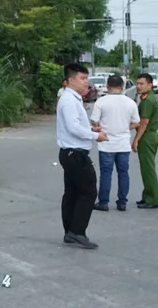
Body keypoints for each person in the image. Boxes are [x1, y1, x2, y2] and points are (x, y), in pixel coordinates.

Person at [56, 63, 108, 249]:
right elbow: (73, 128)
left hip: (70, 153)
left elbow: (76, 126)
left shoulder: (72, 99)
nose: (86, 82)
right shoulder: (69, 100)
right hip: (75, 154)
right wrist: (96, 136)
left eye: (87, 78)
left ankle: (70, 232)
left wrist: (91, 129)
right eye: (83, 78)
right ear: (71, 80)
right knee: (88, 191)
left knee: (72, 193)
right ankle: (77, 232)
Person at [90, 74, 141, 212]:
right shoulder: (131, 103)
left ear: (107, 86)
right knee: (123, 173)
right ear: (122, 86)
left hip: (106, 143)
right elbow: (136, 122)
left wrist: (100, 126)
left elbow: (94, 121)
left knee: (106, 173)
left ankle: (104, 202)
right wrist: (125, 127)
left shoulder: (101, 102)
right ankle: (122, 202)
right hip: (123, 143)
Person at [132, 72, 158, 210]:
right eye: (137, 83)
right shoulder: (147, 98)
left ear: (150, 85)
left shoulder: (148, 101)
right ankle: (147, 196)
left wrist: (136, 140)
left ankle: (153, 199)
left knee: (148, 169)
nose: (138, 86)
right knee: (146, 169)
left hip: (147, 136)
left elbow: (143, 122)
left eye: (141, 84)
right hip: (150, 135)